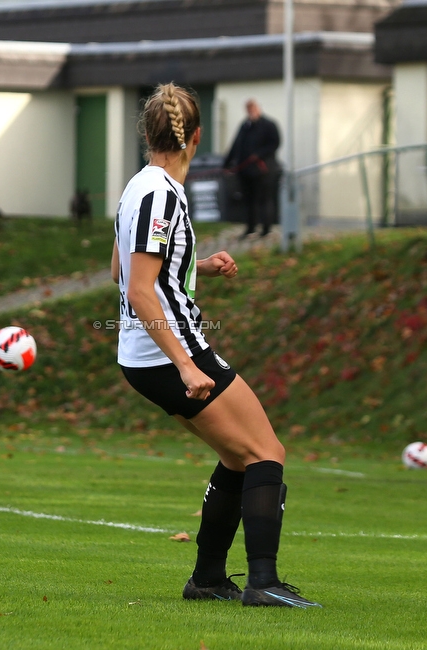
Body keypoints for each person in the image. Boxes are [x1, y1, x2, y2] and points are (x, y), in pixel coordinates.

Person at [112, 83, 319, 608]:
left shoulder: (139, 186)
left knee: (236, 455)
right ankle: (264, 583)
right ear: (197, 136)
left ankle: (207, 578)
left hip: (145, 356)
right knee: (266, 453)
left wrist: (194, 267)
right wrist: (184, 364)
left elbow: (123, 269)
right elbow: (138, 288)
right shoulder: (161, 192)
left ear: (147, 134)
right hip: (169, 351)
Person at [223, 99, 281, 238]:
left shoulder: (269, 125)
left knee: (264, 199)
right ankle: (251, 227)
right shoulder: (245, 126)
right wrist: (227, 163)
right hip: (246, 171)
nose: (251, 112)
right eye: (248, 109)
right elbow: (236, 145)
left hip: (263, 171)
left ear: (258, 109)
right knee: (249, 200)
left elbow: (275, 143)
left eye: (253, 109)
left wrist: (259, 155)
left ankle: (266, 228)